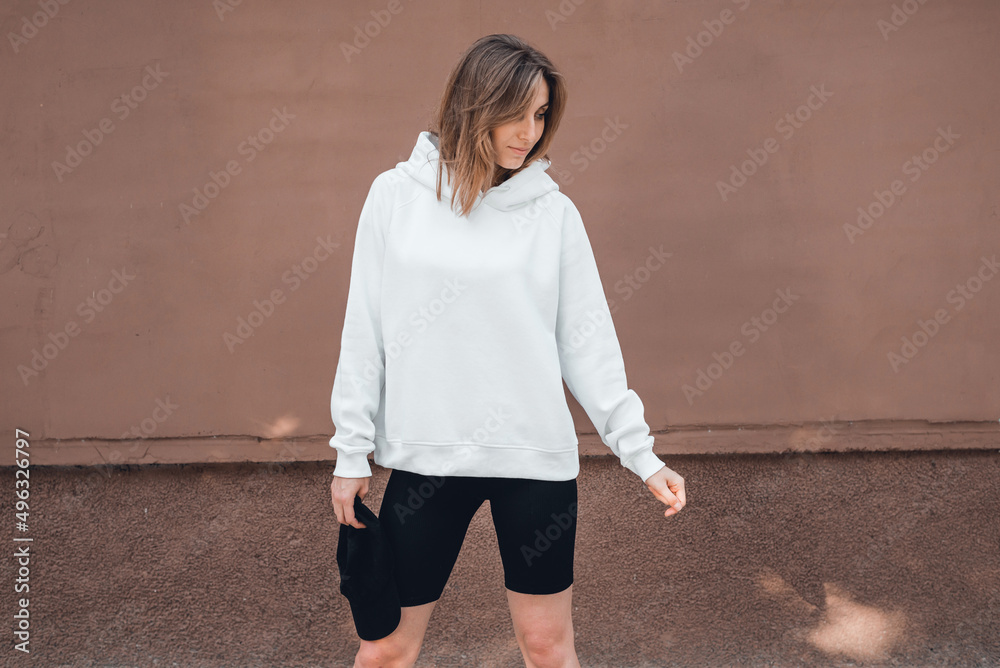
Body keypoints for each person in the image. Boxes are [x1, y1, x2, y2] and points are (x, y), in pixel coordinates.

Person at [329, 33, 686, 668]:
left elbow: (589, 345)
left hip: (535, 465)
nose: (530, 132)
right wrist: (350, 452)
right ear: (474, 106)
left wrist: (641, 453)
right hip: (427, 461)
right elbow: (364, 332)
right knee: (385, 648)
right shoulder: (396, 196)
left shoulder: (553, 215)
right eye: (515, 113)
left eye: (542, 115)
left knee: (547, 647)